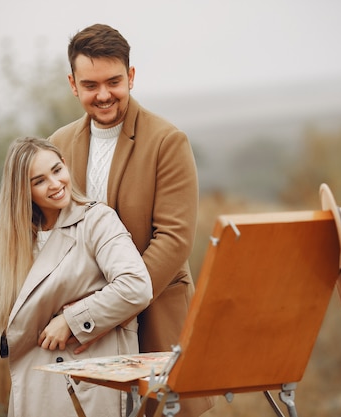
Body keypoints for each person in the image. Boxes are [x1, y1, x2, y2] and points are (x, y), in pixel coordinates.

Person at [49, 23, 214, 417]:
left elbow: (173, 242)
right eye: (91, 85)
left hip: (154, 316)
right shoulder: (56, 145)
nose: (103, 95)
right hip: (82, 324)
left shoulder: (167, 141)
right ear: (73, 84)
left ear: (131, 76)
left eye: (114, 82)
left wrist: (105, 312)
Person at [0, 137, 152, 417]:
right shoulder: (18, 239)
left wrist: (71, 322)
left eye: (57, 170)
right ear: (23, 190)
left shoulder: (97, 220)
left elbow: (136, 286)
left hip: (86, 385)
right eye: (39, 181)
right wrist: (12, 333)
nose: (56, 184)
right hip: (32, 384)